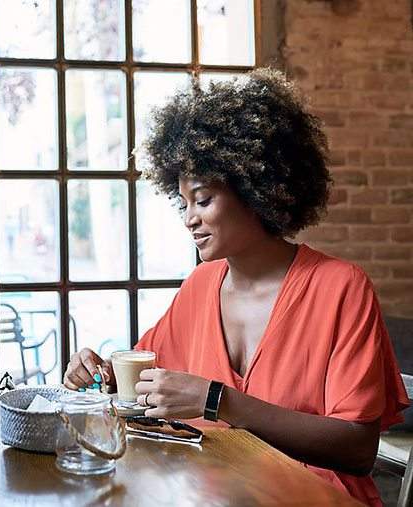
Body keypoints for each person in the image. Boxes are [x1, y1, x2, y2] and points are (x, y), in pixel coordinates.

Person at [63, 69, 408, 506]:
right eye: (183, 202)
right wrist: (101, 377)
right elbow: (147, 387)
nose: (190, 218)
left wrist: (218, 401)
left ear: (256, 188)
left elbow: (358, 449)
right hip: (216, 492)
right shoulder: (201, 285)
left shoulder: (341, 287)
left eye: (204, 200)